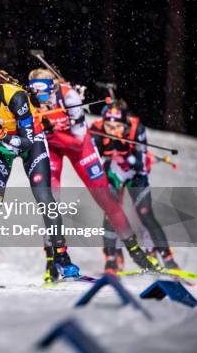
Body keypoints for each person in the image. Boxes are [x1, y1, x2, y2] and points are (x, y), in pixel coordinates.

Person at [28, 68, 159, 271]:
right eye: (37, 96)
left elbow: (78, 142)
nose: (44, 100)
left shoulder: (68, 96)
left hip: (77, 145)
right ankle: (52, 262)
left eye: (47, 95)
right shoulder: (29, 101)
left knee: (106, 199)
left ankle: (138, 255)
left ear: (53, 88)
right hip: (52, 147)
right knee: (50, 202)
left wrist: (51, 129)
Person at [0, 65, 80, 285]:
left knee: (44, 198)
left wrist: (2, 134)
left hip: (30, 145)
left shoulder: (15, 97)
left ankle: (62, 257)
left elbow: (26, 141)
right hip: (0, 149)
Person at [90, 102, 179, 273]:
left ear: (125, 124)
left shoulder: (136, 129)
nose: (112, 130)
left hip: (135, 173)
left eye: (117, 126)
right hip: (114, 172)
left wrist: (124, 151)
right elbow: (92, 159)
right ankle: (112, 257)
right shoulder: (96, 130)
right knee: (111, 214)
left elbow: (140, 164)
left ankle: (166, 257)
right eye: (108, 126)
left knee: (145, 213)